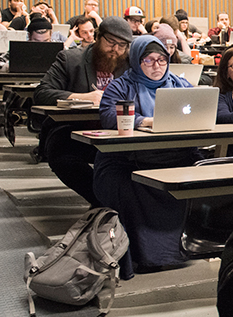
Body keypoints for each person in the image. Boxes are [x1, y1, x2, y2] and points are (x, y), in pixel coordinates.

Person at [94, 35, 195, 275]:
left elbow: (202, 111)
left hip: (174, 157)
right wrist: (143, 121)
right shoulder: (122, 84)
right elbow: (108, 116)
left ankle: (190, 246)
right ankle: (146, 255)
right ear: (137, 61)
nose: (157, 65)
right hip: (128, 160)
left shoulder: (180, 85)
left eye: (161, 59)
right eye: (149, 60)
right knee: (128, 187)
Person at [34, 17, 133, 205]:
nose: (116, 49)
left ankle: (118, 205)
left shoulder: (129, 63)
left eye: (122, 45)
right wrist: (83, 97)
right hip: (77, 130)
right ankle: (103, 202)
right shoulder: (71, 59)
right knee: (59, 152)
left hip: (119, 131)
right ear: (97, 37)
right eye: (110, 42)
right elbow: (42, 92)